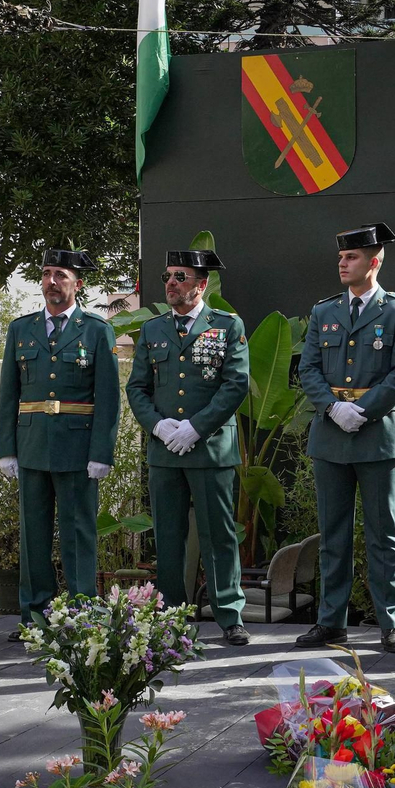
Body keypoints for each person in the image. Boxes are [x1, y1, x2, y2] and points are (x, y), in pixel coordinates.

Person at [295, 222, 395, 654]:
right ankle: (331, 622)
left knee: (383, 533)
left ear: (374, 261)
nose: (343, 264)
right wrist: (334, 408)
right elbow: (308, 368)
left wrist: (363, 410)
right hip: (331, 434)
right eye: (341, 257)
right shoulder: (324, 312)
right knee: (333, 534)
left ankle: (391, 623)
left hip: (378, 435)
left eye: (351, 257)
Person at [125, 247, 251, 646]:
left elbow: (235, 385)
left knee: (219, 535)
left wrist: (197, 428)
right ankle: (171, 615)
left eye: (180, 277)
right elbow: (137, 388)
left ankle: (229, 615)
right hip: (165, 451)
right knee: (168, 536)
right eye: (167, 277)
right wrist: (158, 425)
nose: (171, 284)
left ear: (202, 283)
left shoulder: (227, 325)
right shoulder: (152, 330)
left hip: (210, 449)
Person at [0, 249, 120, 641]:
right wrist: (7, 448)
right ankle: (36, 616)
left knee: (78, 534)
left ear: (77, 283)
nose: (51, 281)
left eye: (60, 275)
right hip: (32, 445)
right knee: (33, 535)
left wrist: (101, 452)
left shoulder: (96, 330)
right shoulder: (21, 329)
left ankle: (83, 616)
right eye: (47, 273)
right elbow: (8, 393)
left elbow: (108, 398)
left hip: (77, 449)